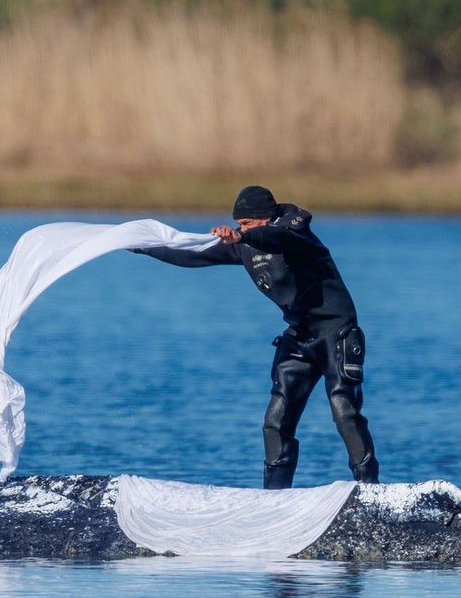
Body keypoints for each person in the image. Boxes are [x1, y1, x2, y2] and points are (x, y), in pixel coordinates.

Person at [134, 186, 378, 489]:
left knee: (344, 410)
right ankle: (274, 495)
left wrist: (244, 236)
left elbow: (278, 239)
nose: (241, 228)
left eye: (248, 223)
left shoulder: (296, 234)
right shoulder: (245, 243)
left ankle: (369, 488)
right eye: (239, 224)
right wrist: (141, 247)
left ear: (266, 218)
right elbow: (192, 256)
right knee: (276, 421)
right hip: (300, 337)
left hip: (336, 333)